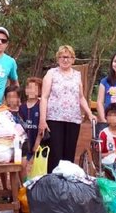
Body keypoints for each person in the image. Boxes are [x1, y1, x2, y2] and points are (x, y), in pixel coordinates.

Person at [39, 45, 96, 173]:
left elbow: (81, 97)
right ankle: (54, 186)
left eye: (68, 57)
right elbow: (44, 97)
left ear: (73, 59)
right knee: (55, 154)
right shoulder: (51, 73)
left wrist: (89, 113)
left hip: (73, 120)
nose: (65, 60)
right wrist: (42, 120)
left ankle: (67, 188)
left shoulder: (77, 75)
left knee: (68, 156)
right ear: (58, 58)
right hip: (54, 119)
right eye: (62, 57)